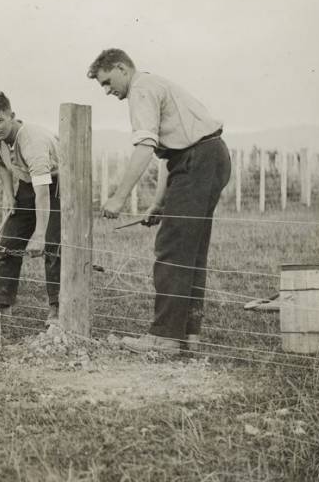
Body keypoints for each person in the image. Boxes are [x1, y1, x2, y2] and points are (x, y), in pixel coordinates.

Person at [87, 49, 231, 355]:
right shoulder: (153, 85)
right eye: (102, 86)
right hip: (208, 156)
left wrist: (118, 197)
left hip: (198, 160)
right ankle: (188, 336)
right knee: (189, 250)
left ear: (122, 68)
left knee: (171, 249)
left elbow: (145, 147)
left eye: (108, 81)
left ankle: (164, 337)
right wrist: (158, 203)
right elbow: (171, 155)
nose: (107, 90)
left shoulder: (140, 89)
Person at [0, 91, 60, 322]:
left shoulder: (32, 141)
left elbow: (42, 191)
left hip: (56, 186)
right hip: (26, 184)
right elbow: (2, 165)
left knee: (53, 247)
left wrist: (40, 233)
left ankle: (57, 309)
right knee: (8, 244)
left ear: (12, 116)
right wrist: (8, 195)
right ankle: (3, 306)